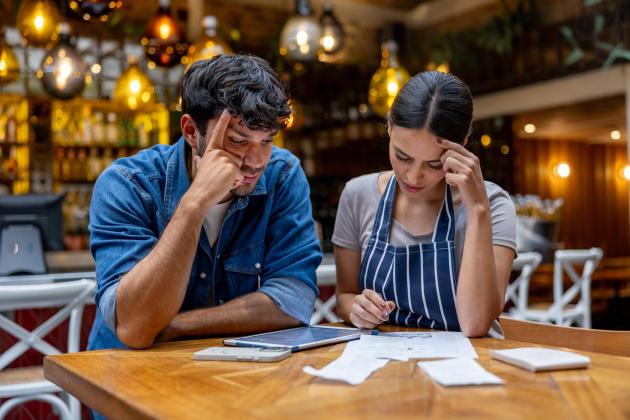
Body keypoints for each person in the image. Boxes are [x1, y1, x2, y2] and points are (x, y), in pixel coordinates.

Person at [87, 54, 322, 360]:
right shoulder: (128, 184)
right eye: (239, 141)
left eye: (266, 141)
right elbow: (135, 326)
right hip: (128, 372)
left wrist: (176, 326)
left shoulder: (282, 176)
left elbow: (293, 300)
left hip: (231, 371)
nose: (257, 161)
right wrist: (195, 203)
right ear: (190, 131)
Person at [333, 71, 516, 338]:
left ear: (463, 144)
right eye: (402, 156)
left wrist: (477, 209)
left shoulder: (495, 205)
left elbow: (476, 324)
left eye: (433, 164)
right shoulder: (358, 195)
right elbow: (344, 297)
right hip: (383, 365)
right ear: (389, 127)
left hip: (466, 368)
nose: (413, 177)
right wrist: (357, 309)